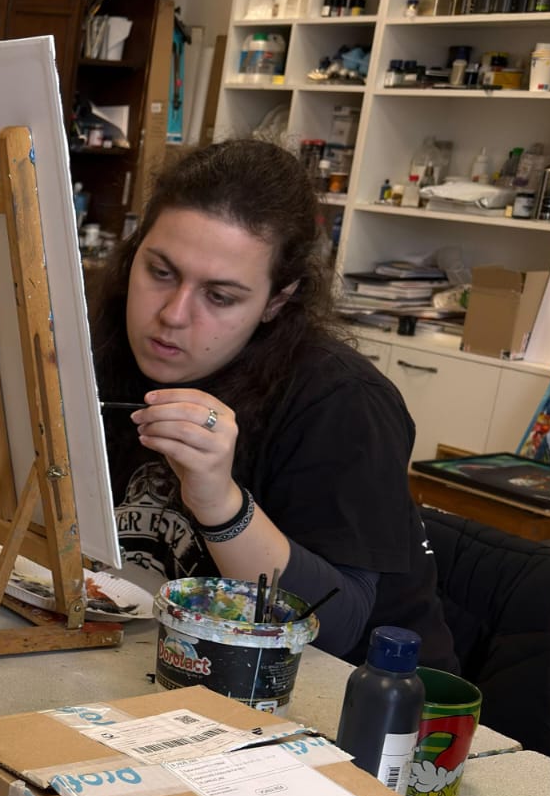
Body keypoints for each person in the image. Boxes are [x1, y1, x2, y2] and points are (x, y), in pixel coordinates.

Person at [92, 140, 457, 669]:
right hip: (165, 657)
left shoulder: (342, 401)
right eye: (161, 272)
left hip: (346, 691)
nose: (173, 314)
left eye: (220, 297)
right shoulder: (107, 343)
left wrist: (220, 503)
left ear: (277, 300)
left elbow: (337, 626)